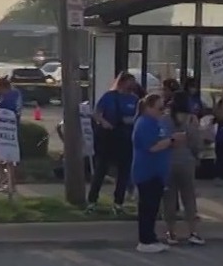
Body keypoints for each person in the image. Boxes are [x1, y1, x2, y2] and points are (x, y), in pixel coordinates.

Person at [133, 93, 183, 253]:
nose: (163, 111)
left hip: (158, 172)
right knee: (147, 208)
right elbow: (152, 147)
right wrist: (172, 140)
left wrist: (174, 141)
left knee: (153, 208)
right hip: (146, 171)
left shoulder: (159, 123)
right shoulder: (144, 123)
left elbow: (165, 142)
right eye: (160, 108)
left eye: (164, 107)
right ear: (148, 108)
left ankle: (151, 238)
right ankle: (144, 241)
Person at [86, 72, 139, 214]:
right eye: (130, 82)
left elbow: (138, 116)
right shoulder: (109, 97)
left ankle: (118, 203)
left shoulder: (135, 99)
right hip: (108, 137)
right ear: (121, 82)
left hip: (126, 138)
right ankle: (92, 201)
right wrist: (104, 122)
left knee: (124, 172)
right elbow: (96, 113)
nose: (132, 85)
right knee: (101, 170)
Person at [163, 91, 205, 246]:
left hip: (168, 162)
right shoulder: (190, 121)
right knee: (189, 198)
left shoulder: (165, 120)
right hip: (186, 162)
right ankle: (193, 232)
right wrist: (197, 157)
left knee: (169, 199)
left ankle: (171, 232)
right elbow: (196, 143)